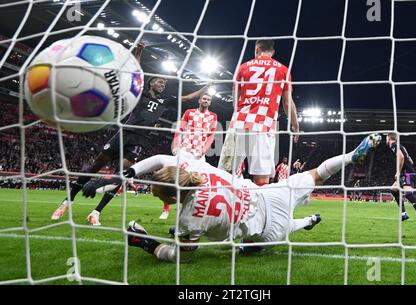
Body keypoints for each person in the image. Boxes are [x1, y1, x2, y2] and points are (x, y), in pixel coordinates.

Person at [82, 134, 381, 262]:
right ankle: (353, 156)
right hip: (268, 195)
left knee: (255, 246)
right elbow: (160, 158)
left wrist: (148, 244)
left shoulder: (187, 218)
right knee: (318, 174)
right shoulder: (194, 168)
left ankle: (305, 221)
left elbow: (182, 259)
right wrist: (120, 177)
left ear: (172, 201)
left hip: (265, 232)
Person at [51, 42, 213, 226]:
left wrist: (204, 88)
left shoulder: (165, 100)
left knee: (121, 174)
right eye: (160, 81)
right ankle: (67, 201)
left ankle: (96, 212)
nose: (163, 84)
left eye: (165, 83)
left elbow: (188, 98)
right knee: (96, 165)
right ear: (152, 82)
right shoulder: (141, 92)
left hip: (140, 140)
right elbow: (135, 73)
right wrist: (139, 51)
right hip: (124, 133)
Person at [218, 39, 299, 187]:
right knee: (261, 178)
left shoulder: (243, 67)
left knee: (225, 173)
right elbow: (287, 103)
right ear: (273, 52)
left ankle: (223, 207)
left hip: (240, 122)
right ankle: (258, 210)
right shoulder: (283, 70)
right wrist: (295, 126)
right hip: (264, 124)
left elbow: (235, 101)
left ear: (256, 49)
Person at [159, 93, 218, 220]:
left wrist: (205, 148)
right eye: (204, 99)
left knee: (198, 182)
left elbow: (212, 135)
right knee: (173, 178)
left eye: (208, 99)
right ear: (199, 100)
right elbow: (179, 130)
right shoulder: (189, 112)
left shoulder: (213, 116)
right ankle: (166, 209)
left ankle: (188, 210)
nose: (206, 101)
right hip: (185, 149)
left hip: (198, 154)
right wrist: (175, 146)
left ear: (210, 102)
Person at [386, 133, 416, 226]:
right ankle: (403, 214)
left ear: (389, 138)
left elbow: (401, 157)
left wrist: (398, 171)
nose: (386, 139)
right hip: (406, 172)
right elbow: (411, 161)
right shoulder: (401, 146)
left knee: (409, 195)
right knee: (393, 189)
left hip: (406, 173)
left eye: (386, 137)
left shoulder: (393, 145)